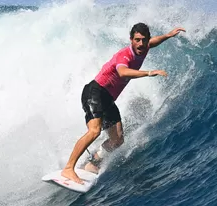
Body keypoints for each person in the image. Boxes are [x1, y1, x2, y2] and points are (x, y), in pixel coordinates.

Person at [61, 23, 186, 184]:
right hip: (95, 92)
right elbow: (123, 72)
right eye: (137, 40)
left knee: (117, 139)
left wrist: (168, 35)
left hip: (107, 99)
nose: (141, 44)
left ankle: (92, 163)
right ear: (131, 40)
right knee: (94, 131)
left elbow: (153, 42)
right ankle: (68, 169)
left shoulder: (145, 46)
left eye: (144, 40)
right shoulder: (124, 55)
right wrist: (149, 72)